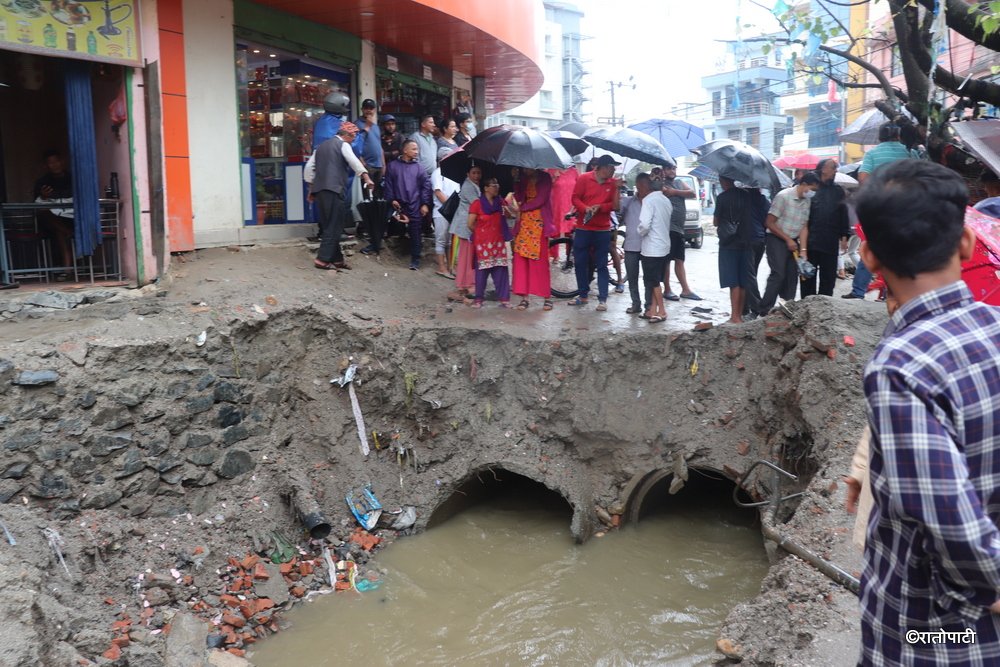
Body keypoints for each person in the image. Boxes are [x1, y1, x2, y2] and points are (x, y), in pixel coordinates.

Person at [853, 159, 1000, 665]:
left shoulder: (900, 367)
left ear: (870, 257)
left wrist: (990, 589)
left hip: (935, 630)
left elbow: (946, 515)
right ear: (965, 242)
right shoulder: (996, 325)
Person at [309, 123, 373, 271]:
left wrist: (311, 190)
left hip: (320, 191)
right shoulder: (342, 145)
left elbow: (309, 169)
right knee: (335, 225)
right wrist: (367, 178)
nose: (355, 138)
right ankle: (322, 259)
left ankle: (337, 260)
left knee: (329, 224)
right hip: (334, 189)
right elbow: (354, 162)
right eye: (354, 135)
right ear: (347, 135)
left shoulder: (320, 147)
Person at [755, 173, 820, 316]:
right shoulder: (783, 197)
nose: (812, 193)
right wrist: (787, 239)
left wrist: (803, 250)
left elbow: (804, 226)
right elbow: (769, 222)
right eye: (811, 189)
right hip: (776, 239)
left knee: (792, 276)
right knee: (778, 274)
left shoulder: (806, 201)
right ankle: (764, 310)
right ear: (803, 184)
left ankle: (786, 308)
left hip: (793, 242)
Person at [568, 154, 620, 310]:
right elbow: (575, 198)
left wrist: (601, 206)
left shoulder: (612, 183)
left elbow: (616, 206)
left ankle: (602, 299)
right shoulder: (584, 178)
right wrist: (586, 208)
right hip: (583, 228)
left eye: (614, 168)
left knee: (602, 264)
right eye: (611, 167)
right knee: (580, 263)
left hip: (603, 229)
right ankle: (583, 295)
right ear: (602, 168)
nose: (613, 170)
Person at [800, 159, 849, 298]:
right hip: (810, 241)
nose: (835, 171)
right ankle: (807, 306)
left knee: (828, 278)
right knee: (808, 276)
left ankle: (825, 306)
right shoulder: (811, 187)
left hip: (830, 240)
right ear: (823, 169)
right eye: (833, 168)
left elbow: (843, 213)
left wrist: (844, 236)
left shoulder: (838, 190)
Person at [381, 139, 432, 269]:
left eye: (417, 149)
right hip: (398, 204)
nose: (417, 152)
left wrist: (425, 203)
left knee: (416, 232)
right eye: (414, 149)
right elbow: (388, 185)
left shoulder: (419, 168)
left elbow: (426, 187)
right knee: (392, 226)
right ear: (405, 150)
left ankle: (415, 259)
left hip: (415, 204)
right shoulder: (392, 166)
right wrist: (391, 199)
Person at [713, 176, 756, 324]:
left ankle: (735, 317)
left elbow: (715, 221)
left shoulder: (722, 197)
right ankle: (739, 314)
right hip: (745, 242)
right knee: (743, 281)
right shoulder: (746, 195)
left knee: (733, 281)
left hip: (728, 244)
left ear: (724, 181)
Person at [511, 168, 555, 311]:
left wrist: (522, 208)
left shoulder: (545, 178)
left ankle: (547, 297)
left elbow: (541, 199)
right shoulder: (523, 178)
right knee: (521, 260)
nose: (526, 170)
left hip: (539, 223)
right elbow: (518, 197)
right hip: (524, 223)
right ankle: (524, 298)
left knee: (540, 261)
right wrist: (516, 179)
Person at [658, 164, 702, 302]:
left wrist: (675, 192)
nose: (672, 171)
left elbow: (692, 193)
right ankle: (667, 289)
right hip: (667, 227)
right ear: (663, 170)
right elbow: (659, 191)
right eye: (669, 168)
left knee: (679, 259)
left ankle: (685, 290)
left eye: (674, 168)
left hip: (679, 228)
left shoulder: (678, 182)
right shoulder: (660, 184)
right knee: (666, 261)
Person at [467, 177, 512, 308]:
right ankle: (478, 299)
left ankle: (504, 299)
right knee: (482, 272)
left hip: (498, 241)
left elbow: (509, 216)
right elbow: (470, 224)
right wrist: (481, 234)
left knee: (501, 269)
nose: (497, 187)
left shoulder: (500, 202)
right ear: (486, 188)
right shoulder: (477, 203)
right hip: (483, 244)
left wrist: (507, 209)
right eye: (493, 185)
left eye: (497, 184)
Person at [637, 175, 672, 323]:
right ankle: (652, 310)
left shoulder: (648, 201)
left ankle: (662, 311)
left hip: (652, 246)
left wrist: (639, 232)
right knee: (656, 278)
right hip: (664, 245)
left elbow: (645, 225)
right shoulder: (666, 201)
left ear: (646, 187)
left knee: (653, 280)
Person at [33, 149, 74, 270]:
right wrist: (43, 197)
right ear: (46, 166)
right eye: (50, 163)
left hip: (71, 218)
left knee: (60, 231)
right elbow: (36, 205)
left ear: (62, 161)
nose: (54, 165)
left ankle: (67, 269)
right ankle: (67, 269)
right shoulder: (42, 182)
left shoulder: (73, 179)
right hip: (51, 220)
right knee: (45, 214)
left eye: (56, 161)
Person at [446, 164, 482, 304]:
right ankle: (467, 284)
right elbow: (477, 204)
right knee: (467, 256)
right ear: (468, 174)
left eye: (478, 173)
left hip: (467, 225)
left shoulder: (472, 185)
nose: (476, 175)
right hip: (466, 226)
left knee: (467, 256)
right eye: (474, 173)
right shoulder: (468, 186)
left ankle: (465, 283)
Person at [619, 173, 653, 315]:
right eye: (639, 186)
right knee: (632, 277)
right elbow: (616, 209)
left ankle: (649, 305)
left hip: (648, 247)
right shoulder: (628, 202)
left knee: (648, 278)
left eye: (643, 185)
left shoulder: (653, 202)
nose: (641, 189)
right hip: (631, 245)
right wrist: (616, 188)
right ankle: (635, 303)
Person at [431, 147, 460, 278]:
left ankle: (451, 266)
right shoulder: (437, 173)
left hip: (453, 211)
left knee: (450, 241)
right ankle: (442, 267)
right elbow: (438, 192)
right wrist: (451, 206)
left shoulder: (453, 174)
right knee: (441, 240)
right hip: (441, 211)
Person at [742, 187, 771, 319]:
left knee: (748, 275)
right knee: (752, 273)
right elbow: (767, 221)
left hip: (748, 239)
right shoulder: (764, 200)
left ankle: (757, 306)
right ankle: (744, 307)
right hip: (760, 240)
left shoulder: (742, 199)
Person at [355, 99, 384, 197]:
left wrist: (383, 164)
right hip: (367, 166)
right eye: (366, 108)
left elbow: (379, 146)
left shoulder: (376, 126)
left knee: (378, 197)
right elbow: (354, 146)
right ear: (362, 109)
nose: (368, 110)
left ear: (375, 110)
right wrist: (362, 164)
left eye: (371, 108)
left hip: (378, 165)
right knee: (367, 198)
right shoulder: (356, 124)